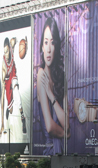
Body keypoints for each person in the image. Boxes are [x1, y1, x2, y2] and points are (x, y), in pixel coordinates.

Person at [36, 16, 69, 155]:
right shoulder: (41, 76)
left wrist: (51, 95)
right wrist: (65, 134)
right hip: (49, 153)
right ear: (42, 47)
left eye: (52, 43)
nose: (49, 49)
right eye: (46, 42)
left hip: (62, 152)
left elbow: (67, 123)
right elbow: (49, 126)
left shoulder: (61, 77)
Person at [0, 36, 28, 135]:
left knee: (16, 90)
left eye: (7, 51)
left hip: (13, 75)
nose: (6, 55)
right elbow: (2, 96)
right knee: (10, 109)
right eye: (4, 52)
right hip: (7, 82)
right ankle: (9, 108)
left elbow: (16, 39)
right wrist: (2, 123)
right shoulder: (3, 67)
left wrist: (26, 43)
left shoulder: (12, 45)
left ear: (9, 49)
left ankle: (22, 117)